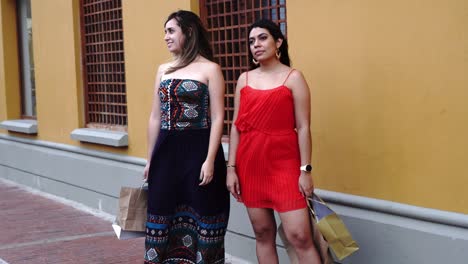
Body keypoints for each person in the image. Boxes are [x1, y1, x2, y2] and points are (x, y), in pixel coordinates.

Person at [226, 19, 322, 264]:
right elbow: (236, 128)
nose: (256, 45)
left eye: (262, 38)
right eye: (251, 41)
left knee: (300, 236)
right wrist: (231, 168)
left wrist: (305, 170)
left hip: (285, 166)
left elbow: (303, 128)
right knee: (262, 233)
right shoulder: (244, 80)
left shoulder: (294, 78)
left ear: (278, 42)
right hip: (251, 167)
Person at [143, 10, 229, 264]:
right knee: (161, 216)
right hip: (166, 154)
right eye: (165, 32)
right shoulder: (163, 69)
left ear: (188, 32)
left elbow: (217, 118)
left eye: (171, 31)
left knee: (205, 214)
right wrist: (150, 160)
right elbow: (155, 117)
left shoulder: (211, 69)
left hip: (200, 153)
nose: (166, 37)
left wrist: (210, 160)